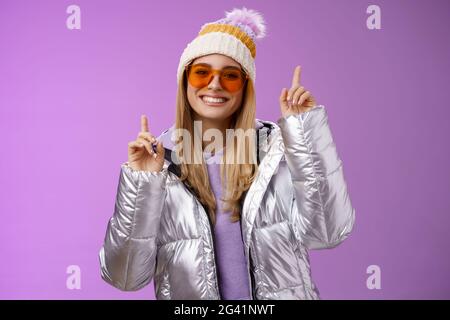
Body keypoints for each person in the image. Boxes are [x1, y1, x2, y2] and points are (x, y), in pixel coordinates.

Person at [99, 7, 355, 300]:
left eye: (230, 75)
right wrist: (143, 184)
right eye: (201, 73)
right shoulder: (158, 164)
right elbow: (125, 277)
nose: (215, 84)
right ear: (185, 82)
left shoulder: (278, 150)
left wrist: (305, 132)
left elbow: (327, 233)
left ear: (245, 87)